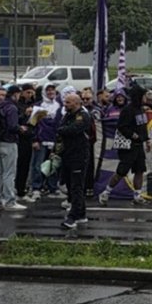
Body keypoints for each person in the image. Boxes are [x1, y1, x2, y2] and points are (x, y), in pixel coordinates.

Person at [98, 85, 151, 206]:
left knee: (140, 170)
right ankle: (106, 192)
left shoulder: (141, 110)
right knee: (121, 172)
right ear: (138, 97)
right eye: (143, 95)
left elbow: (143, 126)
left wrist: (147, 139)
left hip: (139, 146)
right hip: (128, 146)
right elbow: (121, 127)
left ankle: (137, 195)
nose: (145, 98)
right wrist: (133, 135)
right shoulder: (128, 110)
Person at [57, 94, 92, 229]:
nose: (65, 104)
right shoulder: (68, 115)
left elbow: (73, 129)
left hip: (79, 155)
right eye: (65, 102)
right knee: (70, 185)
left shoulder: (83, 115)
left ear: (76, 103)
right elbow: (61, 128)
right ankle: (81, 214)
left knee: (77, 186)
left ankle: (72, 217)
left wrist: (62, 130)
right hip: (68, 154)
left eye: (68, 102)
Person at [0, 86, 27, 211]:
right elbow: (12, 126)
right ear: (15, 94)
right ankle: (10, 201)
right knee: (9, 173)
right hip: (9, 142)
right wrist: (20, 128)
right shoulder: (11, 107)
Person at [28, 82, 62, 201]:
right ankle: (36, 188)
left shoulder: (60, 106)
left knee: (53, 165)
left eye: (52, 90)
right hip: (41, 140)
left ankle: (53, 188)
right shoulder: (38, 106)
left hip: (55, 140)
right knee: (38, 165)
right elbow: (33, 125)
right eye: (48, 90)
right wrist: (35, 140)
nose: (51, 92)